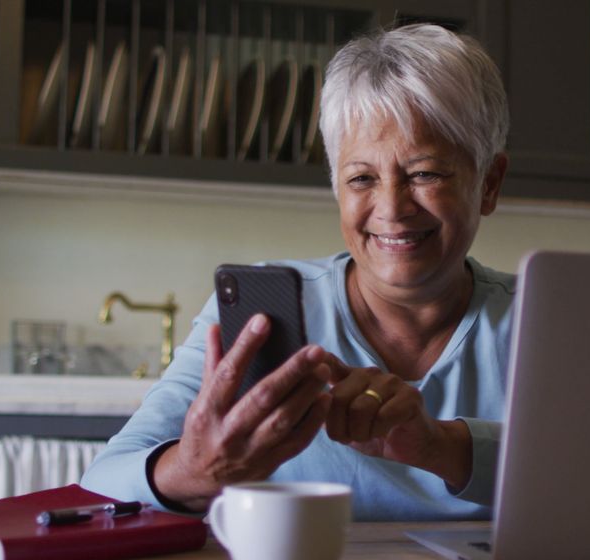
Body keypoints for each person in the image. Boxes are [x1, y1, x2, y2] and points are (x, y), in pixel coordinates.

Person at [81, 23, 513, 521]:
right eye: (362, 178)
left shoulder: (545, 319)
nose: (391, 208)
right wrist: (196, 470)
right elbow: (101, 485)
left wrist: (438, 445)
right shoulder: (263, 310)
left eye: (424, 173)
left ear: (489, 183)